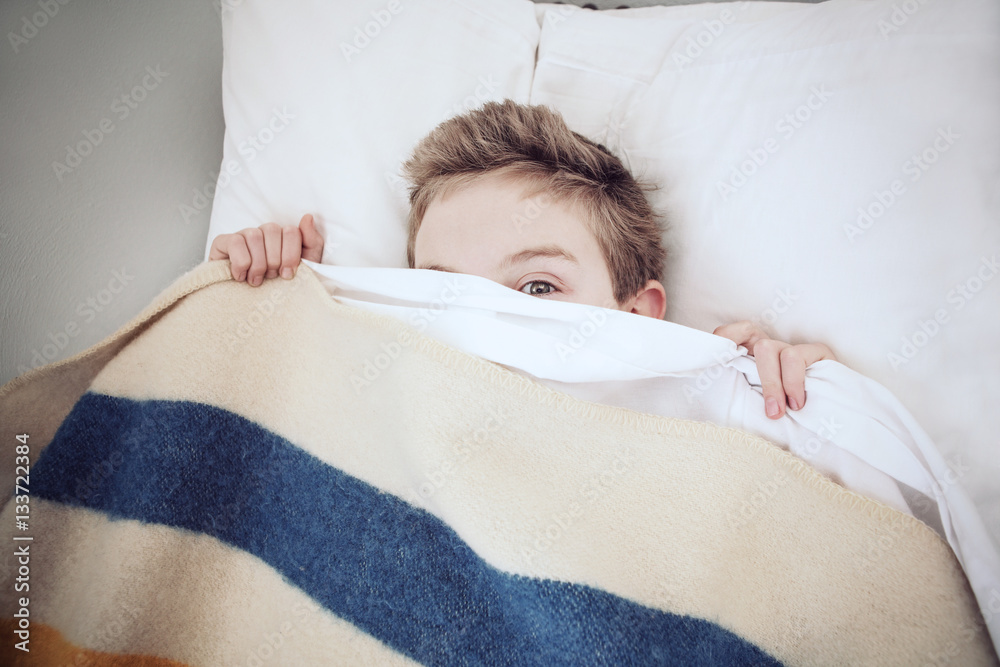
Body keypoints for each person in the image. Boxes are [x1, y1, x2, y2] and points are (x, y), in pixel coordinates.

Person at [208, 100, 834, 420]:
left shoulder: (705, 423)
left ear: (639, 313)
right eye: (446, 295)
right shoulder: (376, 403)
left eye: (537, 288)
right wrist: (270, 317)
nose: (487, 330)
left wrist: (799, 401)